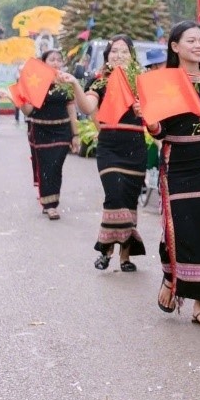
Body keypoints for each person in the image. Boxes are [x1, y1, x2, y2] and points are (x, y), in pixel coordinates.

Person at [150, 21, 200, 328]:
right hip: (178, 162)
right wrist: (149, 117)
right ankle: (172, 275)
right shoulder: (162, 83)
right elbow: (158, 130)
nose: (198, 45)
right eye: (191, 40)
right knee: (179, 230)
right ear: (174, 46)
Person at [72, 35, 148, 272]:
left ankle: (125, 257)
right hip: (109, 148)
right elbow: (86, 107)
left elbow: (155, 116)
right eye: (114, 51)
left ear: (132, 55)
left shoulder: (142, 82)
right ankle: (106, 248)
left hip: (135, 147)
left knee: (128, 200)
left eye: (124, 51)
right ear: (107, 56)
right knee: (114, 195)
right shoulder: (99, 83)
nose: (119, 55)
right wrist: (75, 84)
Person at [23, 51, 80, 220]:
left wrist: (75, 134)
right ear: (44, 62)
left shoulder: (66, 82)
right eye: (52, 59)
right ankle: (49, 205)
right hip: (40, 131)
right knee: (45, 167)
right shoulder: (37, 82)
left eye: (58, 59)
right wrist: (18, 100)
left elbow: (71, 110)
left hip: (62, 131)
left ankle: (52, 200)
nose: (56, 62)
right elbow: (28, 110)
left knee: (56, 166)